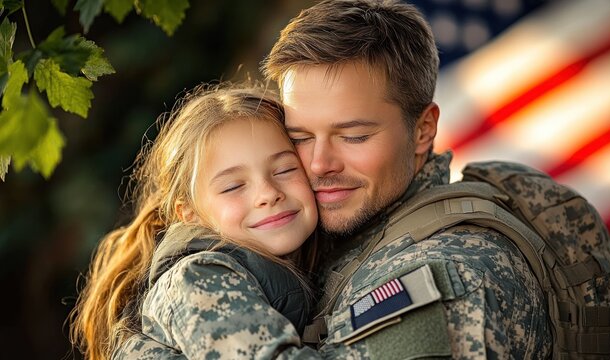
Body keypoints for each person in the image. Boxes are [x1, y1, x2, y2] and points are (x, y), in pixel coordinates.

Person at [112, 0, 557, 358]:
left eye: (354, 135)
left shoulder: (451, 273)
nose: (320, 163)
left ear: (423, 130)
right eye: (300, 137)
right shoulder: (307, 248)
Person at [69, 83, 326, 359]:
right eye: (233, 187)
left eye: (285, 169)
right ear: (189, 214)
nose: (268, 194)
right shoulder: (197, 278)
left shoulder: (298, 266)